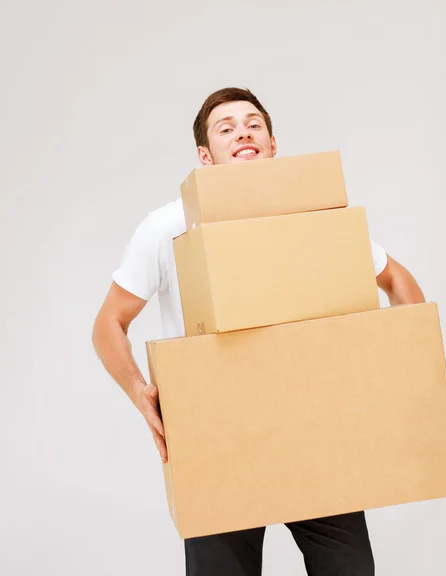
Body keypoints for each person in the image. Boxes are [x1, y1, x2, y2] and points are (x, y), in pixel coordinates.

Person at [92, 87, 426, 576]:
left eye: (253, 124)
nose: (242, 132)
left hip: (314, 432)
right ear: (205, 158)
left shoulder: (311, 216)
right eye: (225, 128)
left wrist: (399, 364)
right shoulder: (167, 227)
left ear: (272, 145)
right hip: (216, 441)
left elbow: (395, 279)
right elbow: (108, 323)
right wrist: (142, 395)